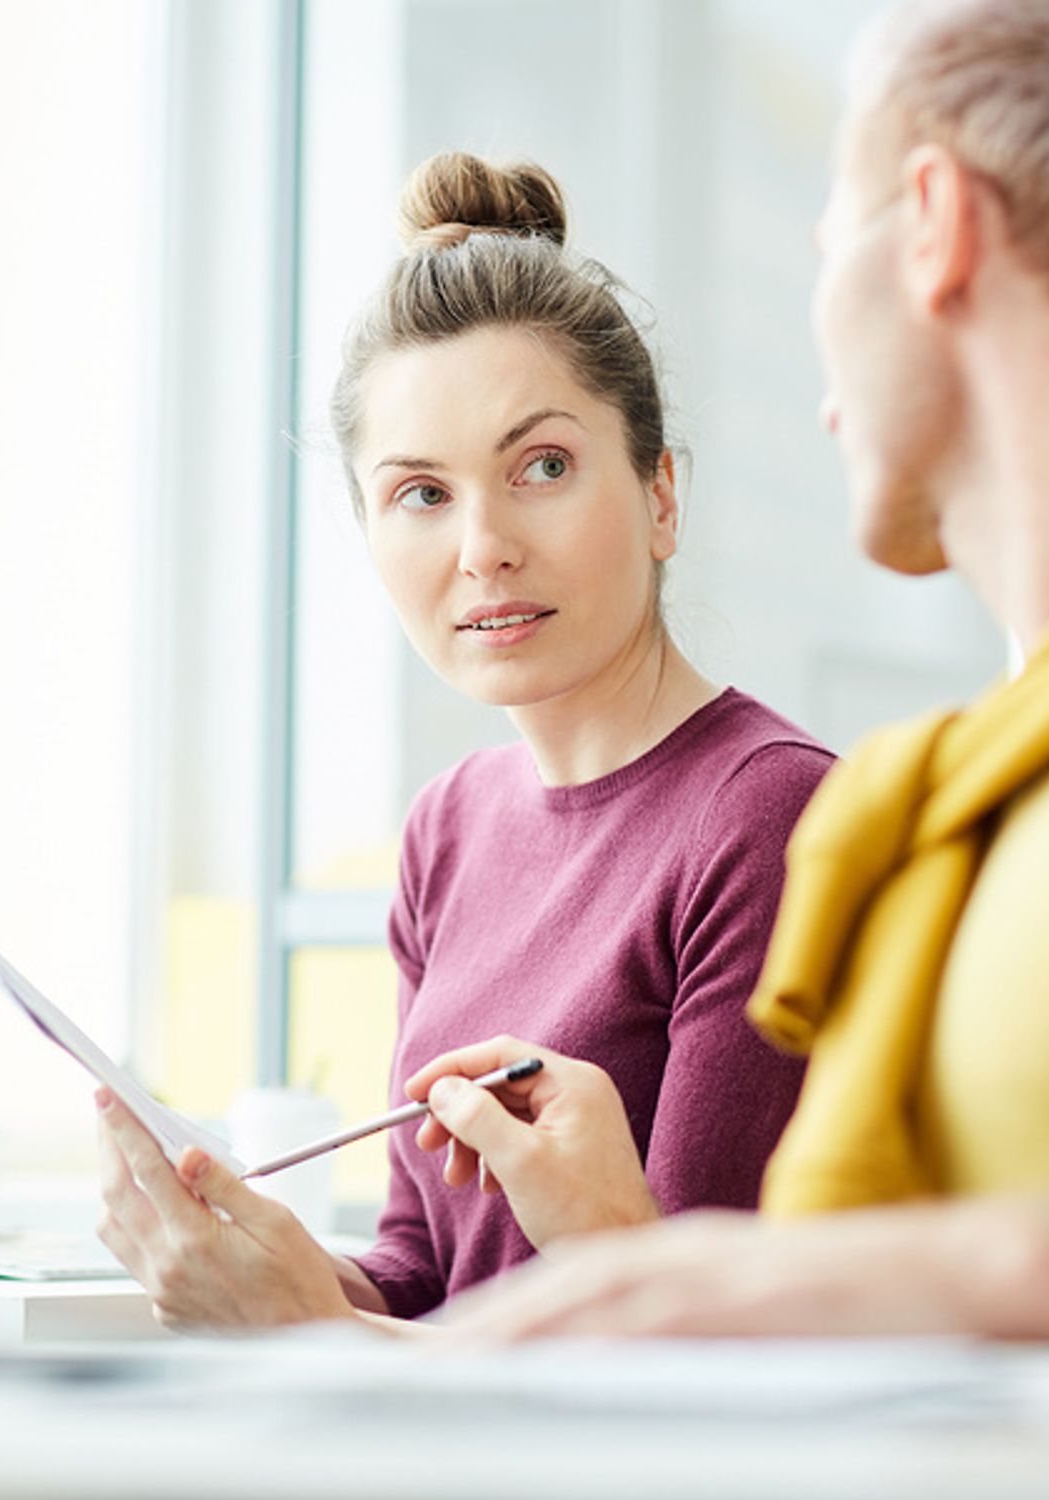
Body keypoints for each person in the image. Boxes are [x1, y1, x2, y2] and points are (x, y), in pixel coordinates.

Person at [422, 0, 1049, 1347]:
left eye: (828, 248)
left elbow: (900, 1288)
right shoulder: (1008, 783)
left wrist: (919, 1280)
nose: (823, 387)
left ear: (934, 229)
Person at [93, 153, 833, 1329]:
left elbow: (705, 1366)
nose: (480, 546)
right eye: (419, 494)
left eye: (540, 467)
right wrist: (248, 1255)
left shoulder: (770, 818)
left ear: (659, 497)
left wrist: (318, 1335)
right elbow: (424, 1280)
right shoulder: (450, 826)